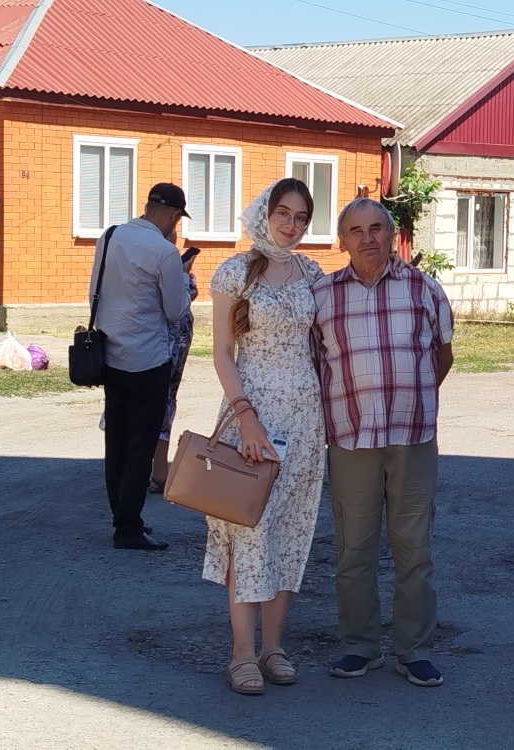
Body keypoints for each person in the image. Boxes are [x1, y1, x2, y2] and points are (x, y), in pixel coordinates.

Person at [312, 197, 454, 687]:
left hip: (412, 435)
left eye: (376, 227)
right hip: (350, 438)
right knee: (354, 548)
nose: (367, 237)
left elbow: (443, 355)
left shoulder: (424, 288)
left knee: (414, 548)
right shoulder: (321, 295)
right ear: (342, 240)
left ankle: (414, 650)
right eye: (355, 230)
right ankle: (360, 646)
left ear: (392, 234)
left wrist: (410, 397)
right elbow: (316, 364)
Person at [204, 178, 325, 696]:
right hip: (251, 418)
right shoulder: (235, 271)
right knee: (249, 531)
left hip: (305, 422)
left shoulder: (312, 273)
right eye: (283, 213)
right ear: (265, 213)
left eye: (301, 217)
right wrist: (246, 417)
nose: (291, 225)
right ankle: (241, 654)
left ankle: (274, 648)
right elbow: (221, 353)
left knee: (291, 533)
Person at [89, 183, 190, 551]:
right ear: (174, 216)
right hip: (149, 360)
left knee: (116, 440)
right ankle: (128, 527)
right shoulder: (164, 252)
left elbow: (94, 293)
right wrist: (182, 276)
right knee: (140, 445)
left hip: (110, 355)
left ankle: (122, 515)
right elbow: (175, 311)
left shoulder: (109, 235)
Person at [148, 230, 199, 493]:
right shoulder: (164, 264)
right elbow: (176, 305)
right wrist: (184, 276)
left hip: (153, 345)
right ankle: (158, 472)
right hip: (164, 346)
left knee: (155, 402)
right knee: (162, 402)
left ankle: (146, 470)